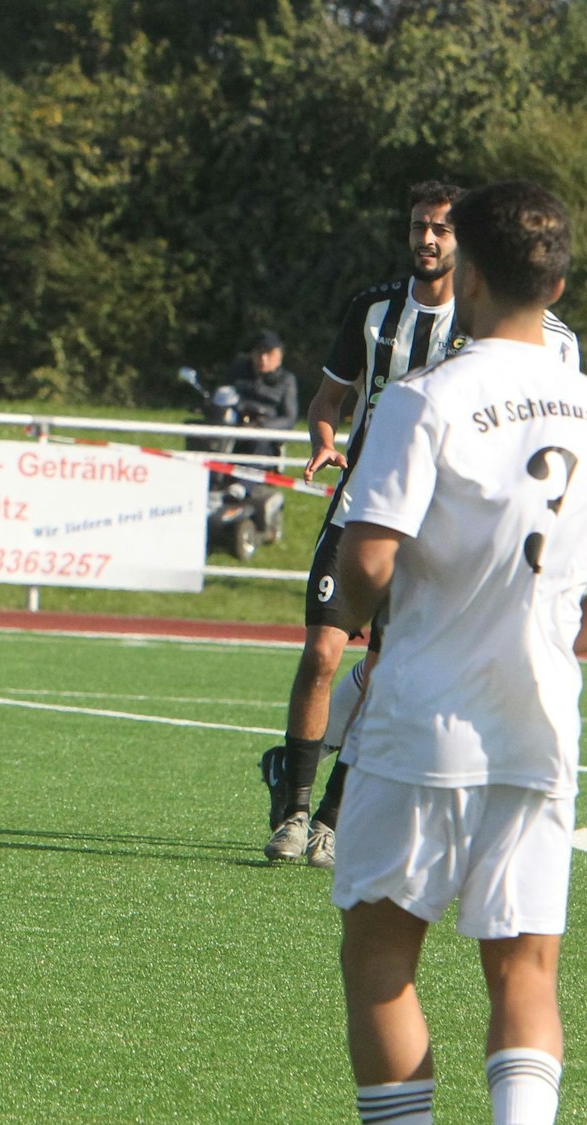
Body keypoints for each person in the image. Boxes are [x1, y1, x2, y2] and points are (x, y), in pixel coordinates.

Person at [331, 179, 582, 1125]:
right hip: (541, 724)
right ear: (554, 287)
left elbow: (368, 557)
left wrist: (369, 617)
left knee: (383, 960)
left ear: (468, 274)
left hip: (421, 721)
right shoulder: (586, 402)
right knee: (525, 968)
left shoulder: (424, 397)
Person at [263, 182, 581, 867]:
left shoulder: (546, 349)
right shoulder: (375, 312)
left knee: (382, 672)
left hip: (437, 532)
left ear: (469, 251)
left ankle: (332, 816)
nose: (427, 241)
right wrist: (326, 437)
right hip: (361, 510)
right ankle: (290, 802)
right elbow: (330, 398)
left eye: (440, 229)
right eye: (418, 228)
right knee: (324, 653)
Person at [224, 328, 299, 461]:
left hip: (263, 434)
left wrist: (260, 426)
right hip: (233, 427)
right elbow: (222, 396)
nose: (263, 359)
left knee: (257, 442)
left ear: (279, 357)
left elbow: (289, 419)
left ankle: (243, 481)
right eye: (259, 353)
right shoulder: (238, 372)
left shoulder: (287, 380)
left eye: (269, 354)